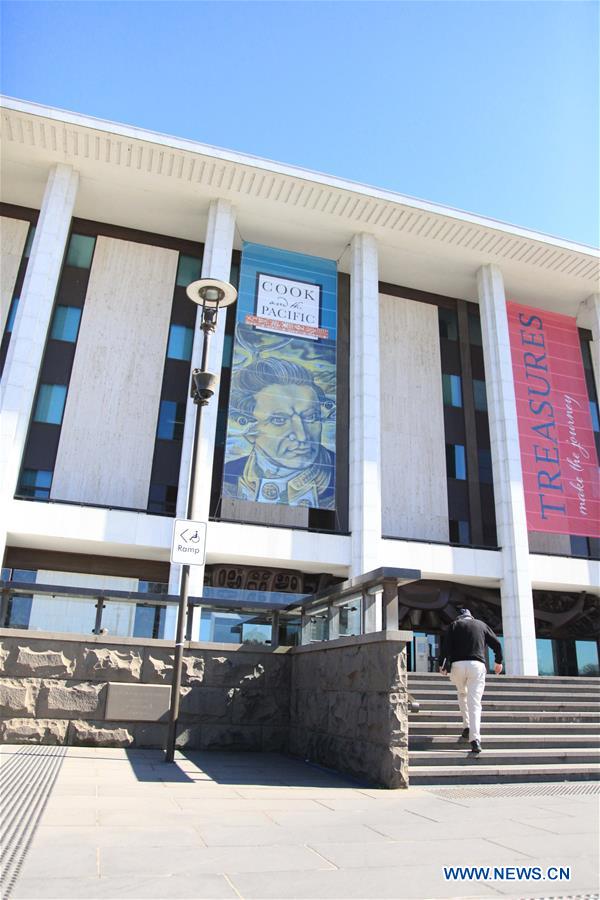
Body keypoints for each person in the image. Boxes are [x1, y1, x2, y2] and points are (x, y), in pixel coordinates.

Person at [223, 357, 335, 508]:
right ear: (249, 430)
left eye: (311, 417)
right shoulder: (226, 477)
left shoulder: (344, 482)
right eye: (279, 420)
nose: (302, 436)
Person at [438, 607, 503, 754]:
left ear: (459, 618)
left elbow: (445, 647)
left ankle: (467, 726)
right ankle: (475, 740)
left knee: (462, 694)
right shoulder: (481, 625)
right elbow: (497, 644)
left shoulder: (454, 625)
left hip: (457, 666)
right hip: (477, 665)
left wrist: (441, 664)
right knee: (475, 702)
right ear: (471, 617)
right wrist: (498, 662)